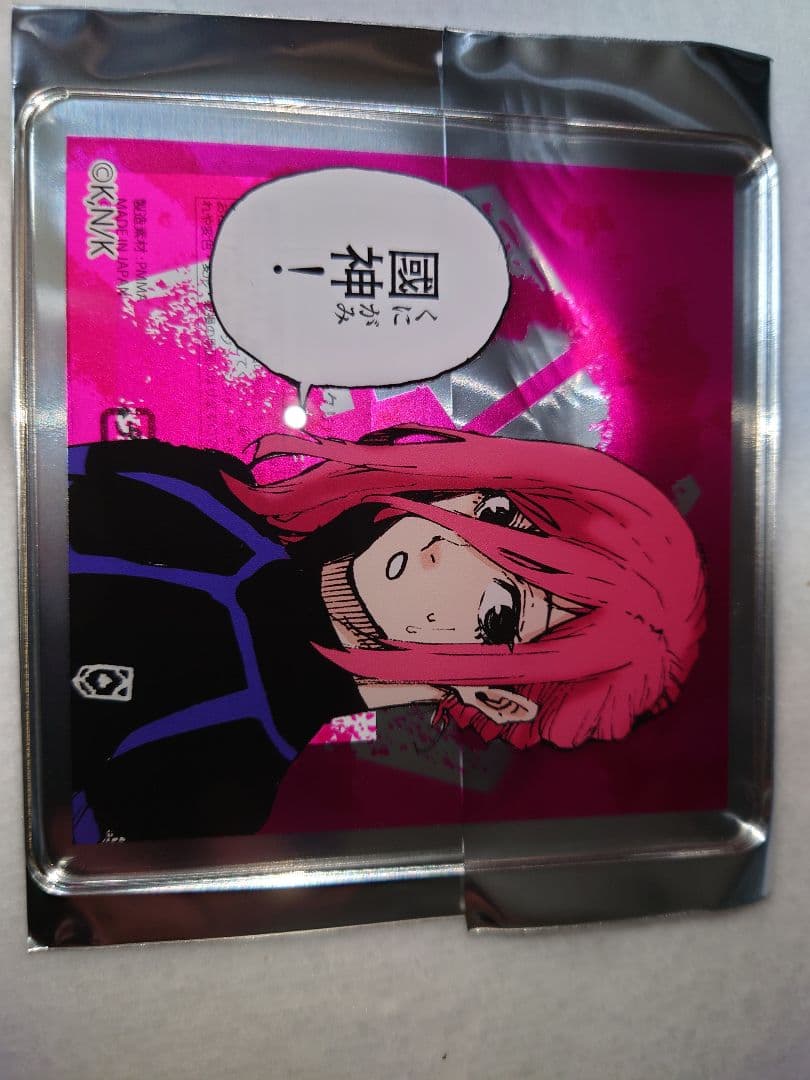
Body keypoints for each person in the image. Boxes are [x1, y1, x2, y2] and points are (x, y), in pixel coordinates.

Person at [69, 425, 706, 842]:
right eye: (498, 513)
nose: (448, 551)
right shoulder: (203, 491)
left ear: (496, 698)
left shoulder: (224, 780)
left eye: (499, 610)